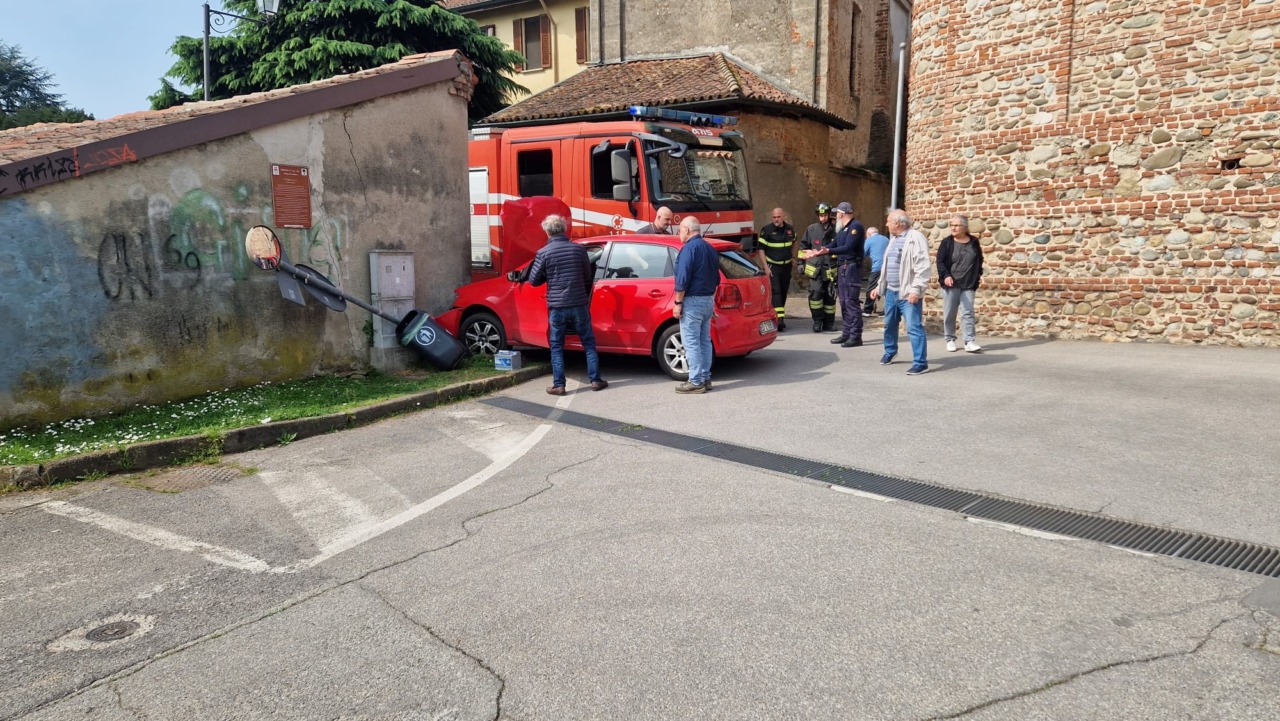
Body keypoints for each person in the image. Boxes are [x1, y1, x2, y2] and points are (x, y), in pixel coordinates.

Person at [527, 214, 608, 395]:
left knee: (556, 345)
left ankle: (559, 385)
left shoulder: (543, 253)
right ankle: (595, 380)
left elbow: (533, 280)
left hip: (557, 306)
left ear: (547, 232)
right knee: (588, 343)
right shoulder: (579, 250)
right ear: (564, 229)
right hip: (579, 303)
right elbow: (588, 276)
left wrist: (549, 276)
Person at [870, 209, 932, 375]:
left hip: (907, 293)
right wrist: (879, 287)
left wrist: (916, 289)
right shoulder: (894, 239)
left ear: (897, 223)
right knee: (889, 324)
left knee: (913, 327)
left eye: (889, 221)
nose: (886, 224)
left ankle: (920, 362)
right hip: (891, 292)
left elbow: (923, 266)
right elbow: (887, 267)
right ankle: (890, 351)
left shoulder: (915, 238)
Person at [672, 216, 720, 394]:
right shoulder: (710, 248)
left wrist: (678, 303)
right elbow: (716, 279)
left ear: (686, 229)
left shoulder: (688, 249)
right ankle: (706, 378)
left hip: (692, 301)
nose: (678, 234)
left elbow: (682, 279)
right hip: (707, 300)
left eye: (679, 230)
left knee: (691, 342)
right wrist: (712, 301)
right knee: (704, 341)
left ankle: (695, 381)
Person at [807, 201, 865, 348]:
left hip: (851, 267)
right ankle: (846, 333)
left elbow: (848, 247)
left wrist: (829, 251)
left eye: (837, 212)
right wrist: (819, 250)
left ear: (842, 213)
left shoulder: (855, 227)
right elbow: (834, 245)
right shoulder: (842, 229)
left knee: (851, 302)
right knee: (844, 302)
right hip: (843, 267)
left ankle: (856, 335)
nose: (835, 215)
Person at [936, 214, 985, 353]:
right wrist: (945, 276)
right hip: (951, 283)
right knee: (950, 312)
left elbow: (979, 260)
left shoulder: (974, 242)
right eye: (952, 225)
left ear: (964, 227)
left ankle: (969, 341)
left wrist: (978, 276)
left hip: (968, 283)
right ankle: (950, 339)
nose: (953, 227)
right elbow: (940, 261)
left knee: (968, 312)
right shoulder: (947, 242)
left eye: (956, 225)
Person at [752, 207, 797, 331]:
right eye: (774, 217)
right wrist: (766, 267)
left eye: (778, 217)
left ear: (783, 217)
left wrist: (793, 257)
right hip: (773, 267)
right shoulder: (766, 230)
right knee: (775, 291)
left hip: (786, 266)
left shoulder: (790, 230)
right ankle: (779, 320)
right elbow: (760, 249)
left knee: (783, 291)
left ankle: (779, 315)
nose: (776, 219)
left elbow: (794, 242)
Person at [798, 203, 837, 332]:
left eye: (825, 215)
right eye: (821, 215)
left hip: (830, 269)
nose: (823, 218)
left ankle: (829, 322)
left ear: (829, 214)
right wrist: (800, 263)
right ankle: (817, 321)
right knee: (816, 295)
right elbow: (803, 248)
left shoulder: (836, 230)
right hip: (814, 269)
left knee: (830, 296)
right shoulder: (811, 229)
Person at [862, 225, 889, 316]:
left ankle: (867, 310)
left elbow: (863, 254)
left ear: (868, 234)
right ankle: (887, 310)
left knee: (871, 287)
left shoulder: (869, 240)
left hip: (877, 267)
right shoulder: (886, 239)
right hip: (888, 267)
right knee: (887, 288)